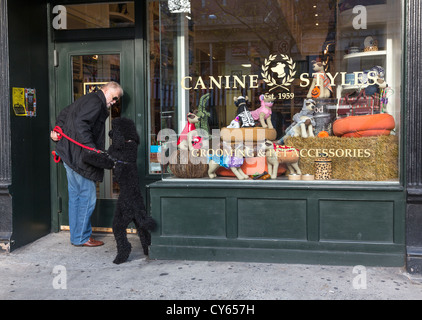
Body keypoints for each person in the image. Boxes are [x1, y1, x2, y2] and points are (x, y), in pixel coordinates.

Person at [50, 82, 123, 247]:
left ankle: (77, 237)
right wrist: (91, 149)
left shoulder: (87, 99)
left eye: (116, 100)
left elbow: (64, 114)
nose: (114, 102)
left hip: (69, 155)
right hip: (79, 157)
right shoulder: (96, 102)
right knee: (87, 198)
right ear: (106, 90)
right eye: (114, 98)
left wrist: (57, 130)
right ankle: (82, 237)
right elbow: (80, 124)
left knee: (76, 197)